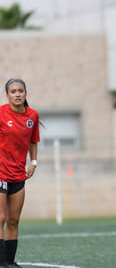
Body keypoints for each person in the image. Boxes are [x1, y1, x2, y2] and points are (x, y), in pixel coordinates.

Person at [0, 78, 40, 268]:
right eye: (13, 91)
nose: (17, 94)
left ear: (25, 93)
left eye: (20, 91)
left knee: (13, 220)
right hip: (0, 173)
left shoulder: (32, 115)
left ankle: (9, 262)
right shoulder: (0, 113)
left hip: (18, 175)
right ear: (7, 95)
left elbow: (33, 140)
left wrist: (33, 162)